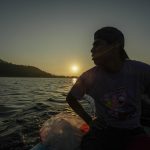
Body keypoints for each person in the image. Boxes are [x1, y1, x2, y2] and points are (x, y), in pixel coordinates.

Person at [66, 26, 150, 150]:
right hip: (105, 130)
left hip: (133, 130)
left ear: (115, 45)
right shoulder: (89, 76)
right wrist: (90, 121)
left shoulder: (141, 71)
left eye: (97, 44)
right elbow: (71, 98)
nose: (91, 50)